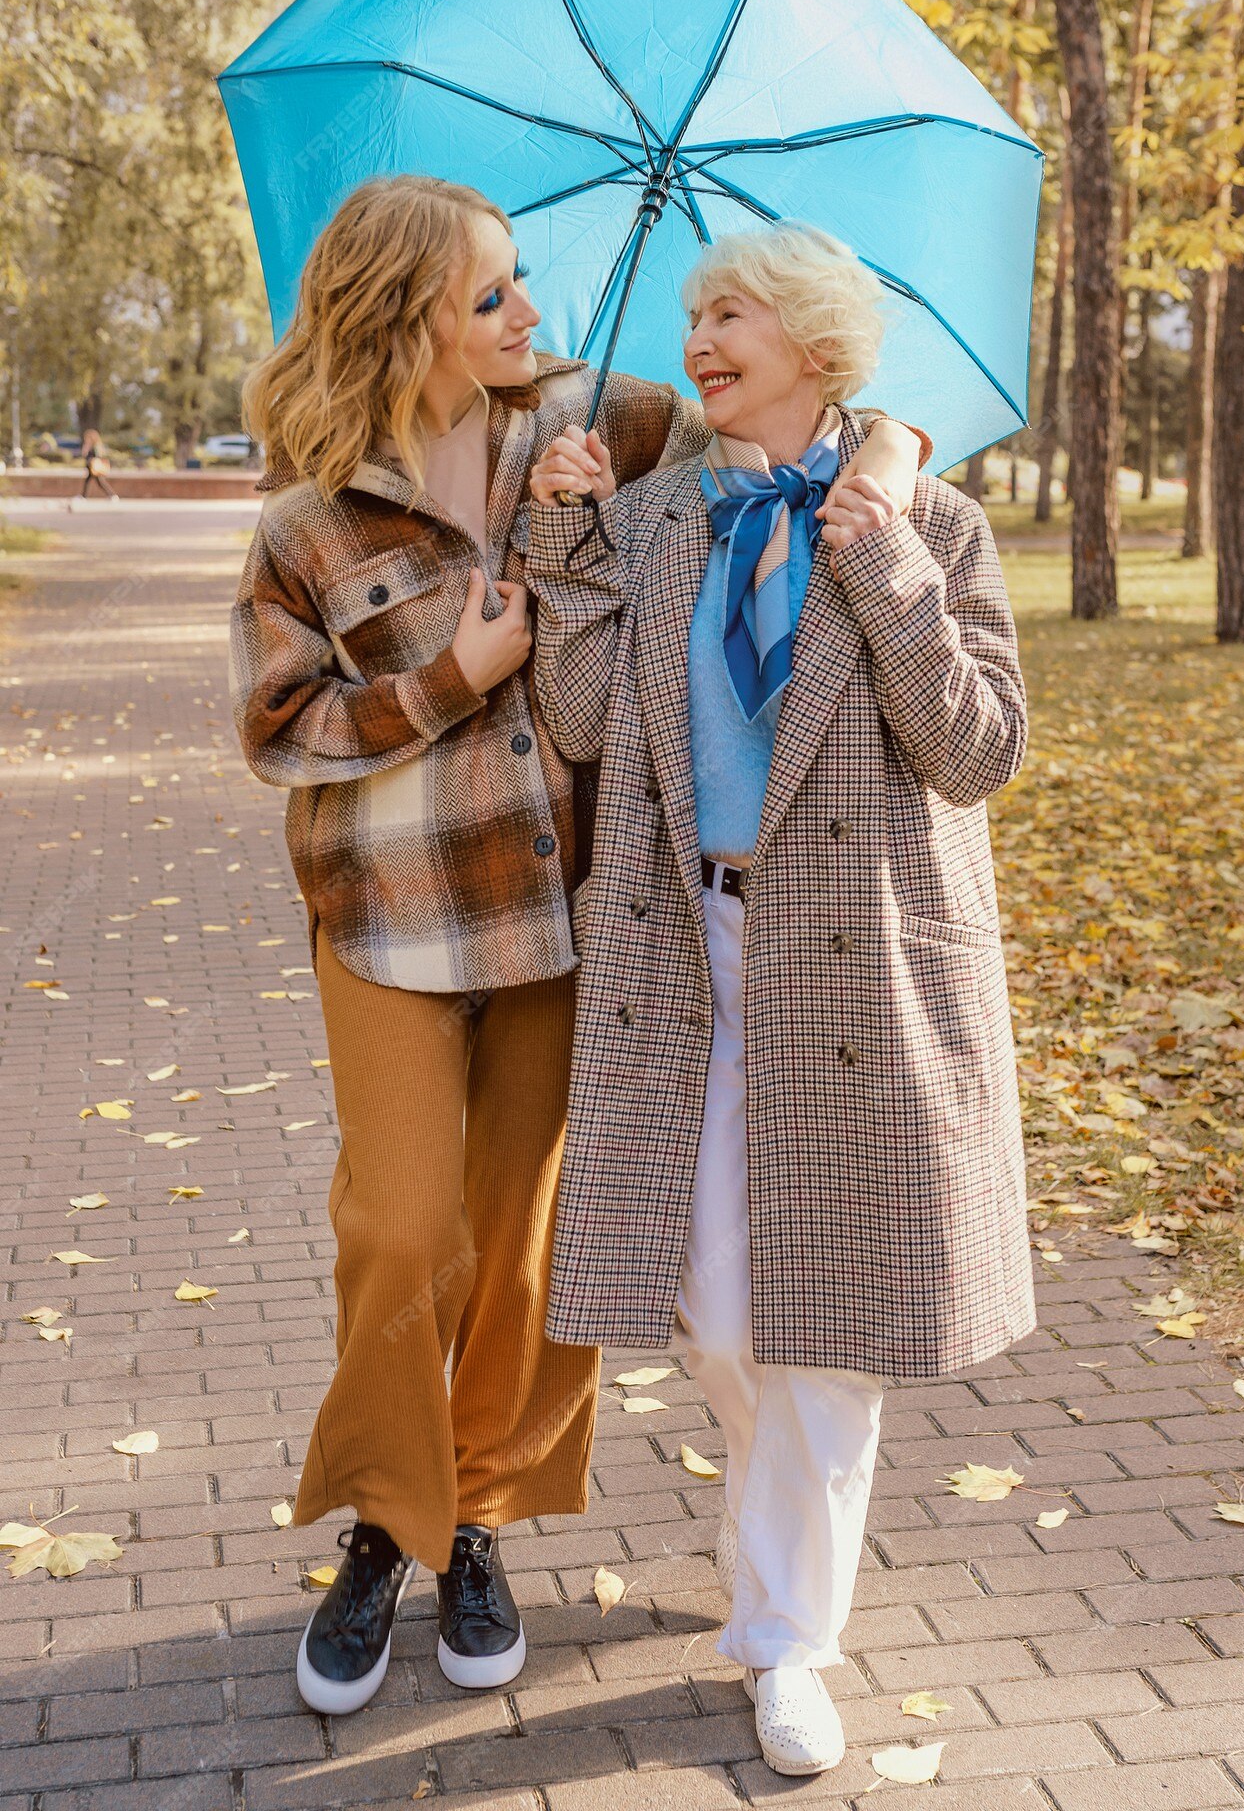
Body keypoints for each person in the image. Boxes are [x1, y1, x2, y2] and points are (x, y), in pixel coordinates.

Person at [229, 176, 909, 1718]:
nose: (530, 311)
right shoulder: (308, 513)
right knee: (405, 1233)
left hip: (573, 913)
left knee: (532, 1248)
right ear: (408, 317)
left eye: (523, 283)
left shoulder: (596, 416)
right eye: (491, 294)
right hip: (393, 912)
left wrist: (897, 452)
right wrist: (455, 678)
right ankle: (382, 1521)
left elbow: (811, 411)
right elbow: (279, 732)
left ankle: (472, 1516)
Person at [526, 223, 1036, 1777]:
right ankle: (776, 1557)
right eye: (690, 312)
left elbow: (976, 748)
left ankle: (789, 1640)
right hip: (684, 954)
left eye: (728, 309)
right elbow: (578, 720)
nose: (698, 334)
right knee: (717, 1303)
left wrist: (874, 540)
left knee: (820, 1328)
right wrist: (563, 555)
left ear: (814, 340)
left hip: (859, 971)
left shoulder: (933, 521)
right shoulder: (662, 511)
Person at [80, 428, 117, 500]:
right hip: (91, 467)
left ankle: (113, 495)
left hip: (95, 467)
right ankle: (84, 496)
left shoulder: (96, 446)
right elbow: (84, 455)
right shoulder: (88, 446)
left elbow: (98, 456)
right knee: (92, 482)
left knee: (99, 482)